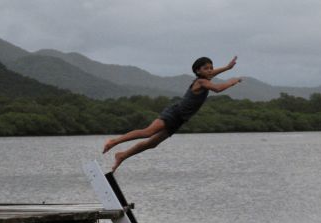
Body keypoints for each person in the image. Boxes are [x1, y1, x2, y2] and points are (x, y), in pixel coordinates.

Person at [102, 56, 242, 172]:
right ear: (198, 71)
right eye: (206, 68)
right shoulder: (200, 82)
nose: (210, 70)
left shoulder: (205, 77)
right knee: (148, 132)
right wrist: (232, 82)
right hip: (174, 113)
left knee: (152, 144)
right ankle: (114, 141)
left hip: (180, 120)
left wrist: (227, 67)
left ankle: (122, 156)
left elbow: (212, 74)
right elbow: (217, 89)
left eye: (211, 68)